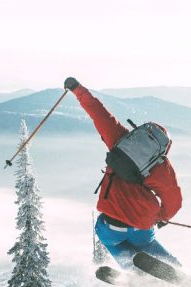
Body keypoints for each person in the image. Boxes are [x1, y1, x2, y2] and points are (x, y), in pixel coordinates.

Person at [64, 76, 183, 269]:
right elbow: (174, 200)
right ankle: (177, 269)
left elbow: (98, 113)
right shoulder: (162, 167)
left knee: (110, 239)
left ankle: (131, 270)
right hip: (142, 226)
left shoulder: (120, 139)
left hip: (112, 226)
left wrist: (77, 89)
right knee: (147, 244)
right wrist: (162, 217)